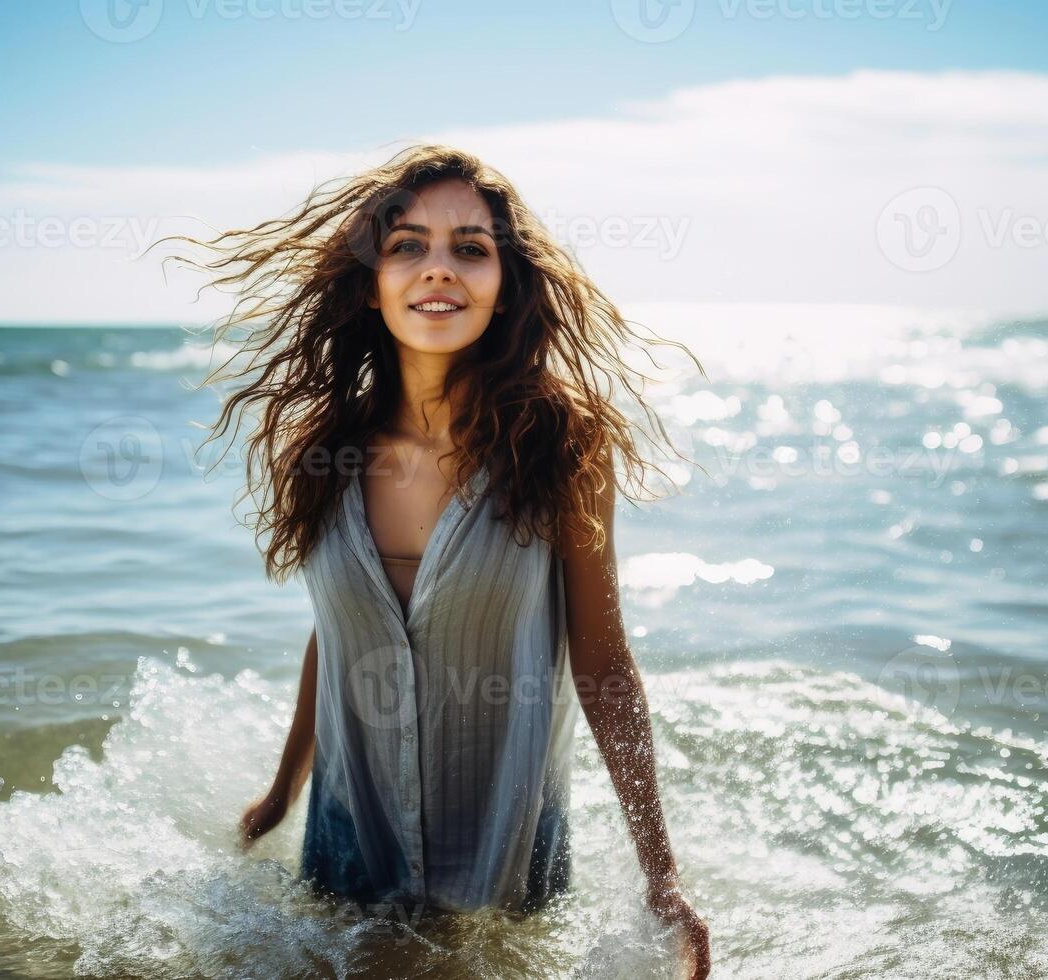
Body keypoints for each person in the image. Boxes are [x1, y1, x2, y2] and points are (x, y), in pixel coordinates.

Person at [158, 144, 711, 978]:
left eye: (471, 248)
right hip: (346, 855)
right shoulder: (321, 451)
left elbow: (603, 659)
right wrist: (281, 795)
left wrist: (661, 878)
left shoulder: (562, 446)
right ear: (370, 278)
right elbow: (340, 630)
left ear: (505, 282)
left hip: (507, 865)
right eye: (407, 244)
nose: (437, 270)